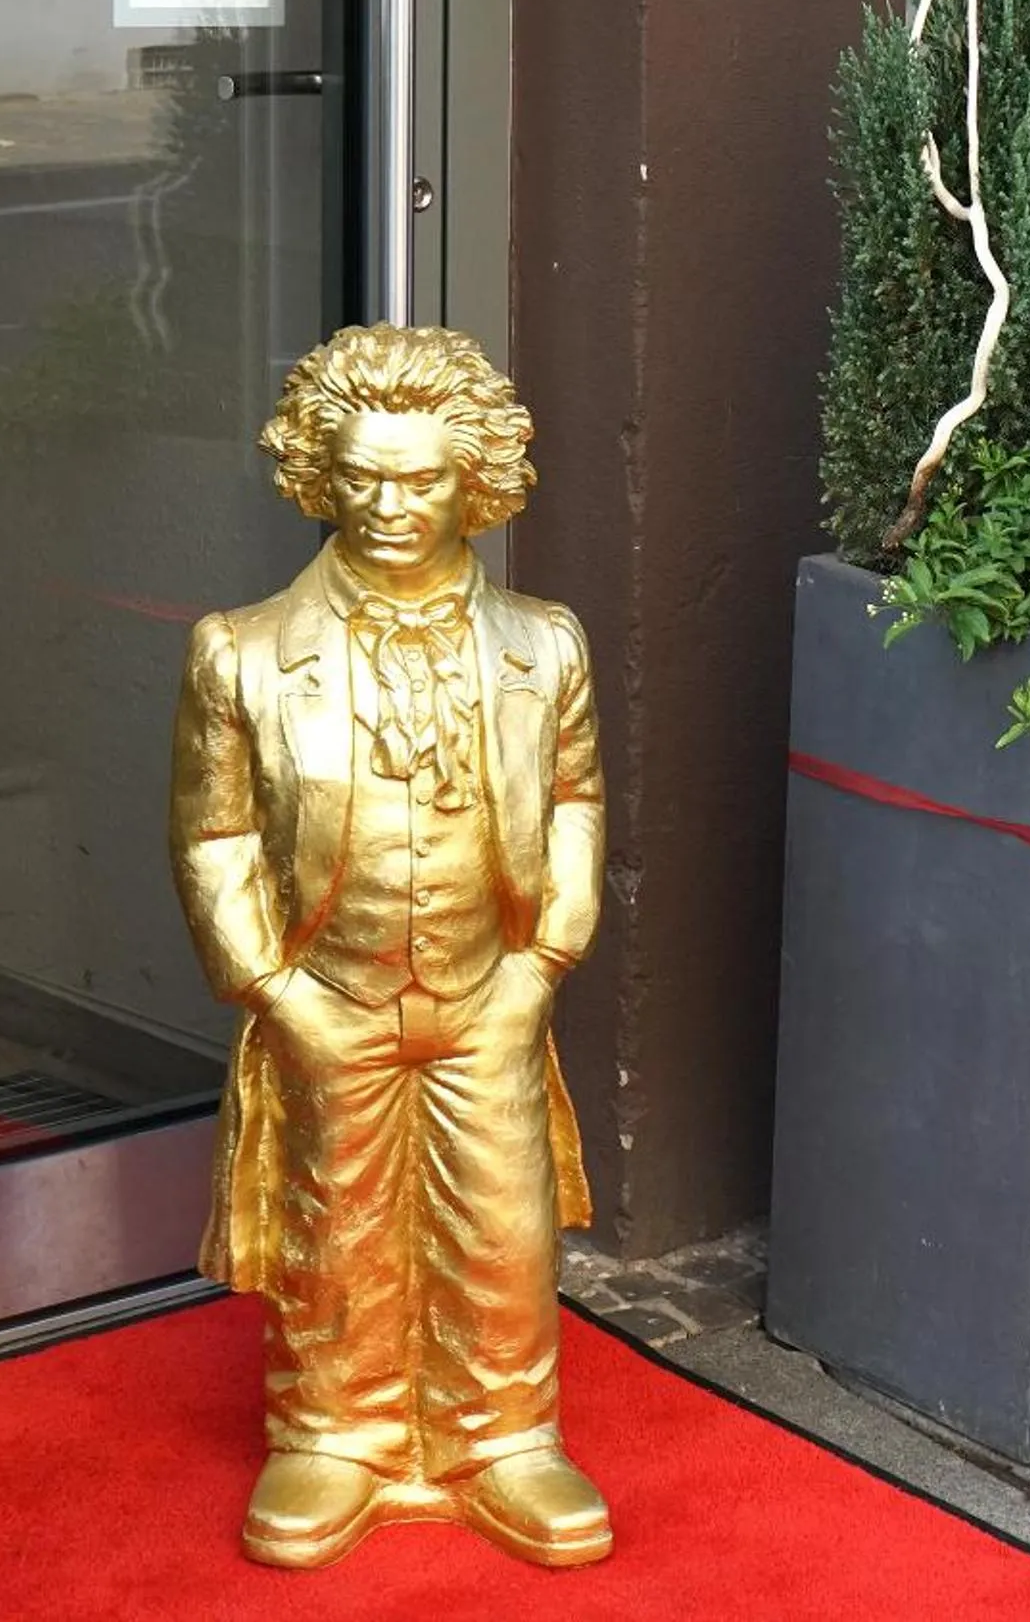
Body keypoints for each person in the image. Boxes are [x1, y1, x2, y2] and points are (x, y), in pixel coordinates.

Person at [167, 322, 608, 1570]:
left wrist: (541, 966)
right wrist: (273, 988)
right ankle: (333, 1434)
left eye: (421, 478)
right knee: (333, 1210)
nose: (392, 504)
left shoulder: (545, 643)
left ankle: (506, 1437)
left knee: (502, 1214)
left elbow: (576, 803)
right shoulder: (243, 651)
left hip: (491, 987)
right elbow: (214, 838)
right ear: (320, 474)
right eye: (362, 475)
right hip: (329, 987)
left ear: (476, 480)